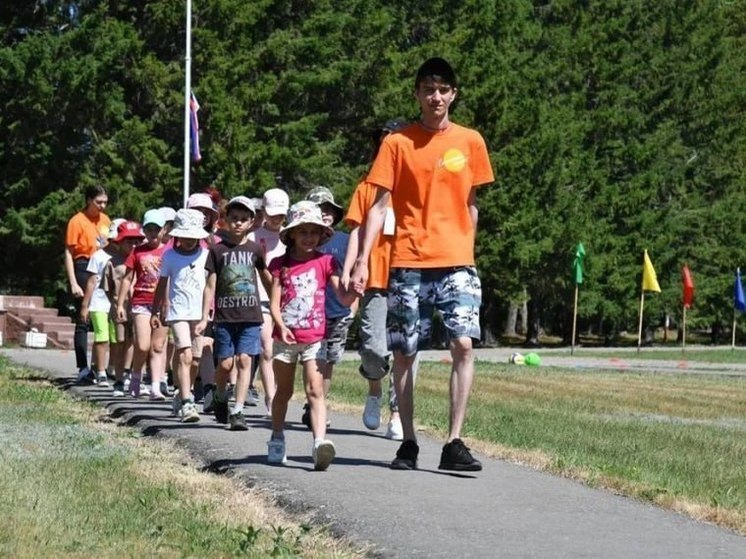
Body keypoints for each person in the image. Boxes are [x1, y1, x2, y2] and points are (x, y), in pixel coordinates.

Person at [350, 57, 495, 471]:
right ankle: (409, 442)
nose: (436, 96)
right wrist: (362, 260)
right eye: (428, 89)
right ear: (417, 94)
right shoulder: (397, 144)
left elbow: (471, 203)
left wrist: (467, 249)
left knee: (464, 345)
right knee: (404, 353)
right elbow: (378, 208)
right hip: (409, 261)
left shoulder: (470, 141)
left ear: (454, 94)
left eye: (443, 89)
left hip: (456, 263)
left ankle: (454, 443)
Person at [342, 119, 420, 440]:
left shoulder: (416, 187)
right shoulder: (367, 186)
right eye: (384, 142)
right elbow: (357, 230)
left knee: (407, 348)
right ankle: (374, 389)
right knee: (373, 349)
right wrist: (349, 269)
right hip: (374, 279)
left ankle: (398, 412)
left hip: (409, 276)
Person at [266, 201, 355, 470]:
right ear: (291, 234)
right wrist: (280, 326)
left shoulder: (326, 262)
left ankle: (319, 443)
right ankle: (277, 436)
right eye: (303, 232)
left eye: (314, 232)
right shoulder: (281, 264)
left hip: (315, 338)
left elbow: (342, 295)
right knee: (284, 391)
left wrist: (355, 292)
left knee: (315, 390)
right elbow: (273, 303)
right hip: (285, 340)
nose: (309, 238)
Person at [196, 196, 270, 430]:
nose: (238, 223)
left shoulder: (256, 249)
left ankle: (237, 411)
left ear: (251, 222)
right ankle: (220, 394)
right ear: (226, 220)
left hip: (251, 316)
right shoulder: (217, 251)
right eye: (234, 218)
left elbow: (266, 278)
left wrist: (278, 305)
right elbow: (210, 285)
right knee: (226, 364)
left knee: (245, 360)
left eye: (244, 219)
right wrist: (204, 316)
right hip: (225, 317)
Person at [301, 186, 358, 429]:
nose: (324, 214)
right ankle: (313, 403)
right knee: (314, 360)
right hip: (312, 313)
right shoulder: (304, 241)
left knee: (329, 361)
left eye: (328, 210)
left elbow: (356, 275)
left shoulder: (346, 241)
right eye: (318, 209)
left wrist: (352, 309)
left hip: (338, 312)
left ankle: (319, 404)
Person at [151, 209, 210, 423]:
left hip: (199, 313)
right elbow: (162, 283)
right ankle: (187, 403)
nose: (188, 240)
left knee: (195, 359)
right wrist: (156, 310)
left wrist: (210, 310)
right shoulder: (169, 256)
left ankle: (184, 390)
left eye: (193, 236)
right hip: (178, 312)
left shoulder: (205, 255)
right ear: (177, 235)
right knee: (184, 354)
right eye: (184, 236)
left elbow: (211, 286)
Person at [81, 220, 144, 392]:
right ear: (119, 241)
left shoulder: (142, 258)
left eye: (136, 241)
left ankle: (130, 374)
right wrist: (115, 303)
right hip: (116, 308)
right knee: (118, 342)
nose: (133, 245)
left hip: (140, 308)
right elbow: (102, 285)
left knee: (138, 342)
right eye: (128, 241)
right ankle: (115, 377)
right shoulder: (111, 262)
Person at [117, 209, 169, 399]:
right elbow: (127, 277)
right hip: (141, 302)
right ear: (144, 231)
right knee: (143, 345)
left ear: (164, 230)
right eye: (149, 229)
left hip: (162, 304)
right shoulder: (137, 251)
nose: (153, 233)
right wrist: (121, 304)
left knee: (157, 346)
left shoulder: (168, 251)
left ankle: (155, 385)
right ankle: (136, 375)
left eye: (157, 229)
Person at [249, 188, 289, 416]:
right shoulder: (254, 236)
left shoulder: (290, 236)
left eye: (281, 215)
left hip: (286, 298)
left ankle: (282, 392)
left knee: (283, 350)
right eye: (272, 214)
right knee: (266, 348)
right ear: (263, 211)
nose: (276, 219)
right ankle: (271, 396)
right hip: (261, 298)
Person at [65, 185, 111, 382]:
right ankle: (83, 367)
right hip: (83, 267)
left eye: (105, 202)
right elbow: (69, 253)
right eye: (98, 202)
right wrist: (74, 282)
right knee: (83, 319)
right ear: (88, 200)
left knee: (103, 318)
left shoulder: (106, 220)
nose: (102, 206)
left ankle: (99, 366)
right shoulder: (77, 221)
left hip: (103, 265)